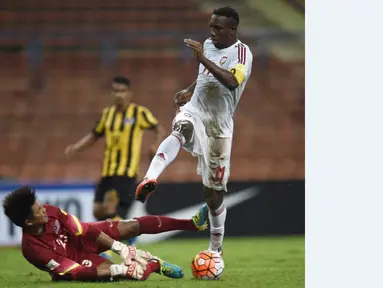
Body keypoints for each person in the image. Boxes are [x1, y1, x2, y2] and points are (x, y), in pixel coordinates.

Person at [135, 6, 253, 255]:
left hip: (219, 126)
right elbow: (205, 75)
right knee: (180, 127)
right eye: (211, 26)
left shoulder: (242, 53)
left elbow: (232, 82)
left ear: (232, 30)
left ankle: (215, 249)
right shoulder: (208, 45)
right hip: (196, 109)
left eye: (218, 28)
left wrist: (202, 58)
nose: (212, 32)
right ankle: (150, 177)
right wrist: (190, 89)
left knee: (213, 194)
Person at [3, 186, 209, 282]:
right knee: (125, 273)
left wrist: (120, 248)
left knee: (131, 226)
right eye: (38, 211)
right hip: (78, 261)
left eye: (40, 205)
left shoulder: (50, 211)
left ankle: (192, 224)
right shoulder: (33, 250)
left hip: (84, 239)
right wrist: (120, 267)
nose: (44, 210)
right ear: (28, 222)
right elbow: (73, 270)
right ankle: (154, 264)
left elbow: (84, 229)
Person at [65, 76, 164, 245]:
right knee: (98, 211)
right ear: (112, 93)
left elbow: (159, 128)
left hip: (126, 172)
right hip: (107, 171)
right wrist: (76, 147)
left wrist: (156, 146)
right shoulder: (107, 114)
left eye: (122, 91)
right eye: (116, 91)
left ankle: (110, 245)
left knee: (111, 207)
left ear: (129, 93)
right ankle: (130, 233)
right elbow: (94, 135)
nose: (119, 95)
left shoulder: (139, 113)